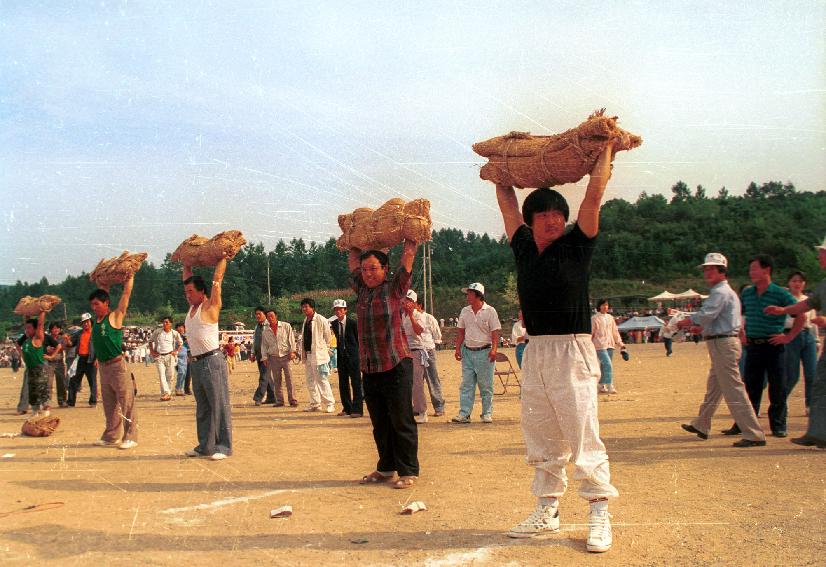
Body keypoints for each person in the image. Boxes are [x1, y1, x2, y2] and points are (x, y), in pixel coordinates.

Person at [496, 145, 618, 552]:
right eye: (544, 214)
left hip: (573, 349)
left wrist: (607, 150)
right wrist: (501, 163)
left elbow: (594, 195)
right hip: (537, 351)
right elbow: (507, 200)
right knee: (541, 434)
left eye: (557, 214)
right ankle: (547, 510)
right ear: (530, 223)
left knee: (582, 433)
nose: (552, 219)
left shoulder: (578, 244)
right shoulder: (523, 248)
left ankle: (599, 510)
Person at [349, 242, 420, 489]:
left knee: (401, 420)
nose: (367, 273)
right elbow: (352, 258)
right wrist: (356, 236)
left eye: (373, 269)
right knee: (380, 423)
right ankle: (386, 468)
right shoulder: (360, 290)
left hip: (396, 364)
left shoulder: (395, 289)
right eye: (364, 269)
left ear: (385, 269)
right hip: (369, 367)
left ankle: (408, 471)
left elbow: (408, 257)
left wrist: (411, 240)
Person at [678, 253, 766, 447]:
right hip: (722, 342)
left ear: (722, 271)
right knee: (715, 388)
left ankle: (753, 433)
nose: (707, 272)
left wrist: (685, 322)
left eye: (711, 268)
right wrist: (700, 327)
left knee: (734, 389)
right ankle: (701, 424)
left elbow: (706, 314)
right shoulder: (725, 292)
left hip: (723, 344)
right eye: (706, 269)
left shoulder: (720, 292)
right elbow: (716, 319)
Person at [723, 255, 802, 438]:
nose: (751, 273)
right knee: (751, 387)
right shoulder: (748, 293)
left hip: (773, 345)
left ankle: (778, 425)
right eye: (750, 269)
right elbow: (739, 314)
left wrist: (788, 337)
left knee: (777, 386)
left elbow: (801, 315)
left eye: (754, 269)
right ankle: (744, 424)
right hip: (754, 345)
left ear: (767, 270)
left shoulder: (780, 293)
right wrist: (741, 331)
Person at [765, 237, 826, 448]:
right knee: (818, 385)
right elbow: (806, 305)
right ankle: (818, 433)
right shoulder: (823, 285)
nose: (819, 256)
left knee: (817, 383)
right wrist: (783, 310)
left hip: (810, 338)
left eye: (822, 252)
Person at [183, 257, 233, 460]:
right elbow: (187, 277)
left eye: (191, 292)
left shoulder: (210, 306)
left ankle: (223, 446)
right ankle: (205, 445)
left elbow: (217, 280)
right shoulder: (191, 309)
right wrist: (186, 262)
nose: (187, 295)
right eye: (186, 292)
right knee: (203, 407)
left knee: (219, 404)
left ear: (201, 292)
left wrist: (223, 258)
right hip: (196, 363)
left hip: (212, 361)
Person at [88, 276, 138, 450]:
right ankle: (111, 436)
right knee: (109, 405)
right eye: (92, 305)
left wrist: (129, 277)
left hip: (117, 366)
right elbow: (103, 287)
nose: (94, 308)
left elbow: (127, 293)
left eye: (97, 304)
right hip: (103, 367)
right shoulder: (97, 321)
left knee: (126, 402)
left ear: (106, 303)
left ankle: (131, 436)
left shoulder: (115, 317)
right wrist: (103, 277)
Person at [452, 282, 501, 424]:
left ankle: (487, 413)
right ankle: (464, 414)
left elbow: (495, 333)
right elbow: (461, 332)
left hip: (484, 352)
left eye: (469, 293)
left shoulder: (490, 311)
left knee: (486, 385)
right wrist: (457, 349)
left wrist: (494, 350)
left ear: (478, 295)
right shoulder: (464, 311)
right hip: (467, 352)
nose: (467, 296)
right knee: (466, 384)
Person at [782, 271, 817, 415]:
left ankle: (810, 405)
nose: (797, 284)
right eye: (794, 281)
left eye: (800, 281)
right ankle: (781, 400)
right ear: (789, 283)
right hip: (791, 335)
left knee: (812, 373)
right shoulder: (785, 299)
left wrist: (816, 340)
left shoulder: (808, 300)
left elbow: (813, 322)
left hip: (808, 336)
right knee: (792, 374)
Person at [299, 298, 335, 413]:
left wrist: (324, 349)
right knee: (310, 380)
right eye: (303, 306)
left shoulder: (321, 319)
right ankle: (315, 403)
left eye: (306, 306)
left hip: (319, 355)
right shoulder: (306, 320)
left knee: (322, 379)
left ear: (312, 307)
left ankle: (330, 403)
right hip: (308, 355)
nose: (304, 309)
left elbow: (328, 337)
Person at [402, 290, 433, 423]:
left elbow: (419, 331)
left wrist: (411, 315)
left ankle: (422, 411)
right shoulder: (400, 316)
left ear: (414, 303)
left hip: (416, 350)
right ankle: (408, 409)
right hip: (403, 351)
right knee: (404, 383)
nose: (406, 303)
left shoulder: (418, 315)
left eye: (409, 301)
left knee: (417, 383)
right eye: (405, 300)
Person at [330, 299, 363, 417]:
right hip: (341, 357)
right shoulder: (333, 324)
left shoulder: (353, 323)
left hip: (353, 357)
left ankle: (357, 409)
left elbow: (359, 340)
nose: (338, 311)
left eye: (340, 309)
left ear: (345, 310)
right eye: (336, 309)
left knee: (356, 383)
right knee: (343, 383)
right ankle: (347, 408)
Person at [414, 295, 446, 417]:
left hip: (428, 351)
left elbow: (437, 335)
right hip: (414, 351)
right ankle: (418, 407)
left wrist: (429, 345)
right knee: (416, 382)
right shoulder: (406, 317)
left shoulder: (429, 318)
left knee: (432, 379)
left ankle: (438, 406)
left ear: (419, 305)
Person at [260, 307, 298, 407]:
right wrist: (264, 357)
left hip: (286, 356)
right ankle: (280, 400)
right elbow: (264, 346)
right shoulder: (265, 331)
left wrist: (293, 351)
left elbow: (291, 339)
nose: (270, 318)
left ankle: (292, 399)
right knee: (277, 380)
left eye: (272, 316)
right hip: (273, 357)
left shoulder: (286, 326)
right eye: (268, 316)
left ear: (276, 316)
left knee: (289, 379)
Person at [591, 299, 626, 394]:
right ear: (599, 306)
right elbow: (591, 333)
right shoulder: (594, 318)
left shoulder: (610, 317)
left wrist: (620, 343)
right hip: (599, 345)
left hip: (610, 344)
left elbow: (615, 332)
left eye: (606, 305)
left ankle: (602, 385)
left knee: (604, 365)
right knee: (608, 364)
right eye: (603, 305)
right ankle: (610, 385)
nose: (605, 307)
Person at [20, 311, 50, 417]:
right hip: (30, 369)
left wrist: (42, 311)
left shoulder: (37, 338)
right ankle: (35, 412)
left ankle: (46, 413)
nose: (27, 330)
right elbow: (27, 321)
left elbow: (40, 324)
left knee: (42, 391)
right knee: (32, 392)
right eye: (26, 328)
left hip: (39, 369)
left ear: (35, 329)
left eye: (29, 328)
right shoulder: (27, 340)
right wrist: (26, 311)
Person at [67, 313, 97, 407]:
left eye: (87, 322)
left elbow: (100, 347)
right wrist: (67, 340)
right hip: (79, 359)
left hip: (91, 359)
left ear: (91, 322)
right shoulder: (79, 333)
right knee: (73, 380)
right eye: (84, 322)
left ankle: (93, 401)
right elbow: (71, 344)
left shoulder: (96, 333)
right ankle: (71, 402)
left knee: (92, 381)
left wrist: (97, 359)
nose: (85, 324)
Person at [149, 317, 183, 401]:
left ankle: (167, 393)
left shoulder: (174, 333)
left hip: (170, 356)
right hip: (159, 356)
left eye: (167, 322)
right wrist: (152, 351)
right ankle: (166, 393)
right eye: (164, 322)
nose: (165, 324)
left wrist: (176, 351)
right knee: (161, 375)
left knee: (170, 376)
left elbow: (180, 343)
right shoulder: (158, 332)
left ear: (170, 324)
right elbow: (150, 341)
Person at [252, 307, 276, 405]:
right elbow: (255, 341)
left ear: (264, 315)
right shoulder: (257, 326)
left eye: (259, 314)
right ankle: (272, 397)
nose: (257, 316)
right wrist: (253, 353)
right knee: (267, 377)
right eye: (256, 314)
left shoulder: (268, 325)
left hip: (267, 355)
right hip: (258, 354)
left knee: (264, 376)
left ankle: (258, 397)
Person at [45, 322, 68, 407]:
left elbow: (64, 347)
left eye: (58, 328)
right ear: (51, 329)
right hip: (49, 363)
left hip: (60, 363)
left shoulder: (61, 338)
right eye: (54, 328)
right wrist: (50, 349)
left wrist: (54, 349)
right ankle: (47, 402)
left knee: (61, 383)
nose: (56, 330)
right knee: (48, 384)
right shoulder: (47, 338)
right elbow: (45, 348)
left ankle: (62, 401)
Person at [174, 322, 190, 396]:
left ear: (184, 328)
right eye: (178, 327)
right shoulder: (174, 336)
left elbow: (189, 347)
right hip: (177, 356)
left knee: (184, 373)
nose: (180, 328)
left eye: (182, 327)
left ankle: (180, 389)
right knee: (181, 372)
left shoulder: (187, 336)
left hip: (185, 356)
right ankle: (178, 388)